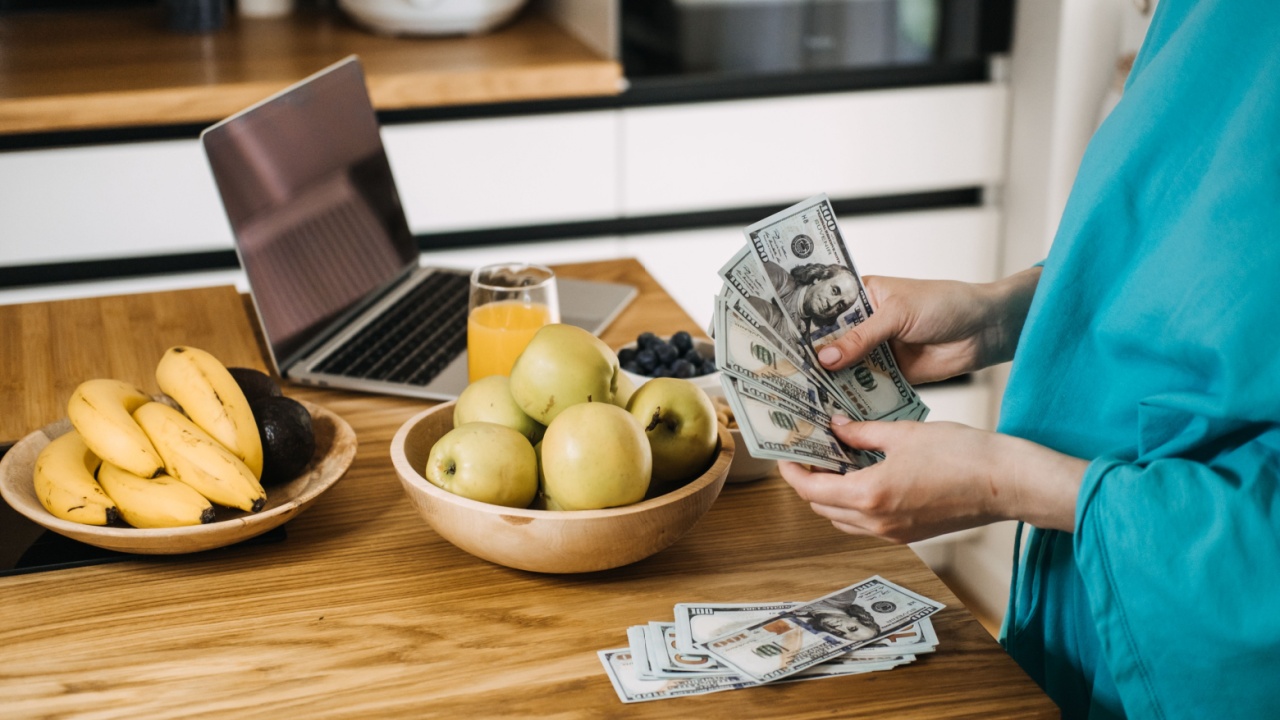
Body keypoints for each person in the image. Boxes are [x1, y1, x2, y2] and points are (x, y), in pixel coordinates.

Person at [776, 1, 1280, 717]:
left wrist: (998, 482)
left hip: (1192, 657)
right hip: (1089, 613)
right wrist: (998, 316)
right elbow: (1194, 268)